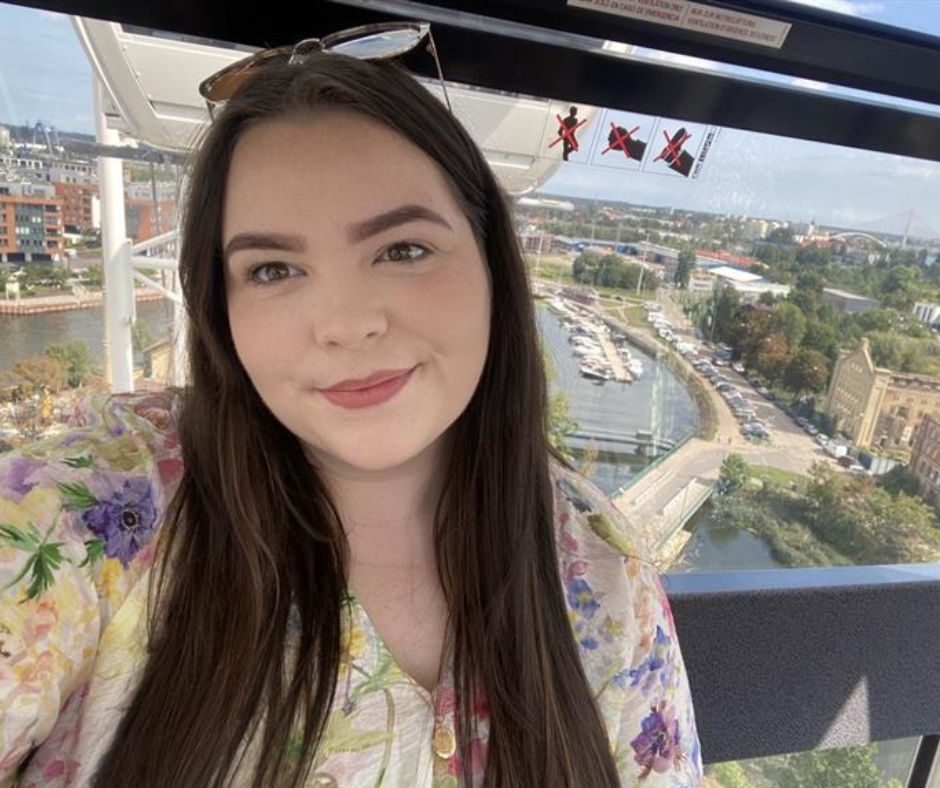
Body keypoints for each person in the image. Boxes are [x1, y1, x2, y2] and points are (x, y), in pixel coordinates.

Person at [0, 33, 703, 788]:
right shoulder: (87, 520)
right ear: (220, 306)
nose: (343, 323)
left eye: (402, 250)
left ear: (493, 263)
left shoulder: (602, 576)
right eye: (272, 269)